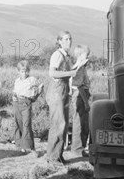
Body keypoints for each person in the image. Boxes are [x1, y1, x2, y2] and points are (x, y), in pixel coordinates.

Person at [45, 31, 87, 165]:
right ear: (59, 41)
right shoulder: (57, 55)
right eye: (66, 39)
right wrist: (71, 72)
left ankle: (58, 156)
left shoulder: (66, 56)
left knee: (62, 125)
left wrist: (78, 65)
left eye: (70, 39)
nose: (69, 41)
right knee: (58, 124)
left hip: (63, 90)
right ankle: (52, 158)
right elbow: (52, 72)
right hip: (56, 91)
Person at [12, 60, 43, 155]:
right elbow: (15, 92)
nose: (24, 73)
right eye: (22, 71)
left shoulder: (32, 80)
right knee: (19, 123)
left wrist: (35, 96)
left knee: (26, 124)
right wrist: (13, 96)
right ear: (18, 71)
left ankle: (30, 147)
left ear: (28, 71)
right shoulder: (17, 81)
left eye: (26, 71)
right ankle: (21, 146)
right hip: (17, 103)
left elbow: (40, 88)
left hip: (26, 103)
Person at [70, 44, 91, 157]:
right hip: (80, 96)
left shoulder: (81, 67)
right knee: (79, 123)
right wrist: (86, 102)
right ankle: (77, 149)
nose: (88, 57)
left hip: (81, 95)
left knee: (83, 122)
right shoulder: (79, 68)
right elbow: (79, 86)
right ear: (80, 55)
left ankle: (80, 148)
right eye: (87, 55)